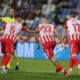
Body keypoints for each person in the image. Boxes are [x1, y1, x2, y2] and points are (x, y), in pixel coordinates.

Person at [61, 12, 80, 76]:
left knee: (73, 55)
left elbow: (64, 31)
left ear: (70, 16)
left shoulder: (68, 22)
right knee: (72, 55)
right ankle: (70, 71)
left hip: (73, 40)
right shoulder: (79, 21)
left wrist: (62, 42)